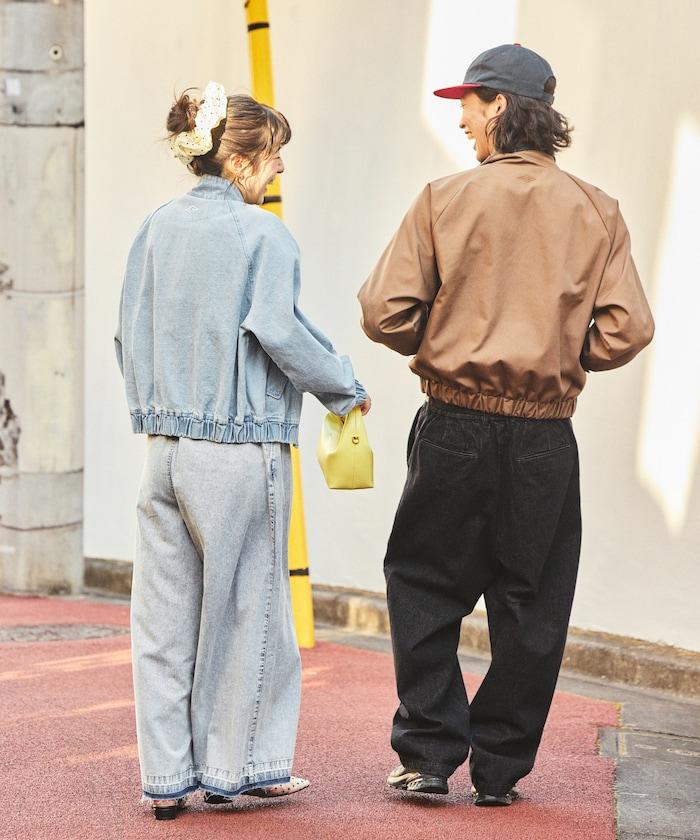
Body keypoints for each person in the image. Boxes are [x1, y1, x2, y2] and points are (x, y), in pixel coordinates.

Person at [358, 44, 653, 806]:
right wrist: (557, 353)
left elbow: (383, 312)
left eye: (468, 103)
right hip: (544, 433)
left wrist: (451, 343)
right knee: (533, 601)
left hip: (454, 420)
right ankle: (499, 771)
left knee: (424, 582)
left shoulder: (443, 200)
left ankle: (426, 757)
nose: (459, 119)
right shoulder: (598, 209)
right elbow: (627, 330)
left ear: (498, 106)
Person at [115, 81, 371, 820]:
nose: (281, 170)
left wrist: (156, 407)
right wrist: (343, 389)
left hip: (162, 449)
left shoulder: (156, 226)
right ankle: (240, 768)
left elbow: (127, 332)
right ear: (241, 160)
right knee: (249, 615)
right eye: (276, 154)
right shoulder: (265, 236)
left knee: (162, 622)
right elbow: (280, 330)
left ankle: (165, 781)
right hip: (238, 449)